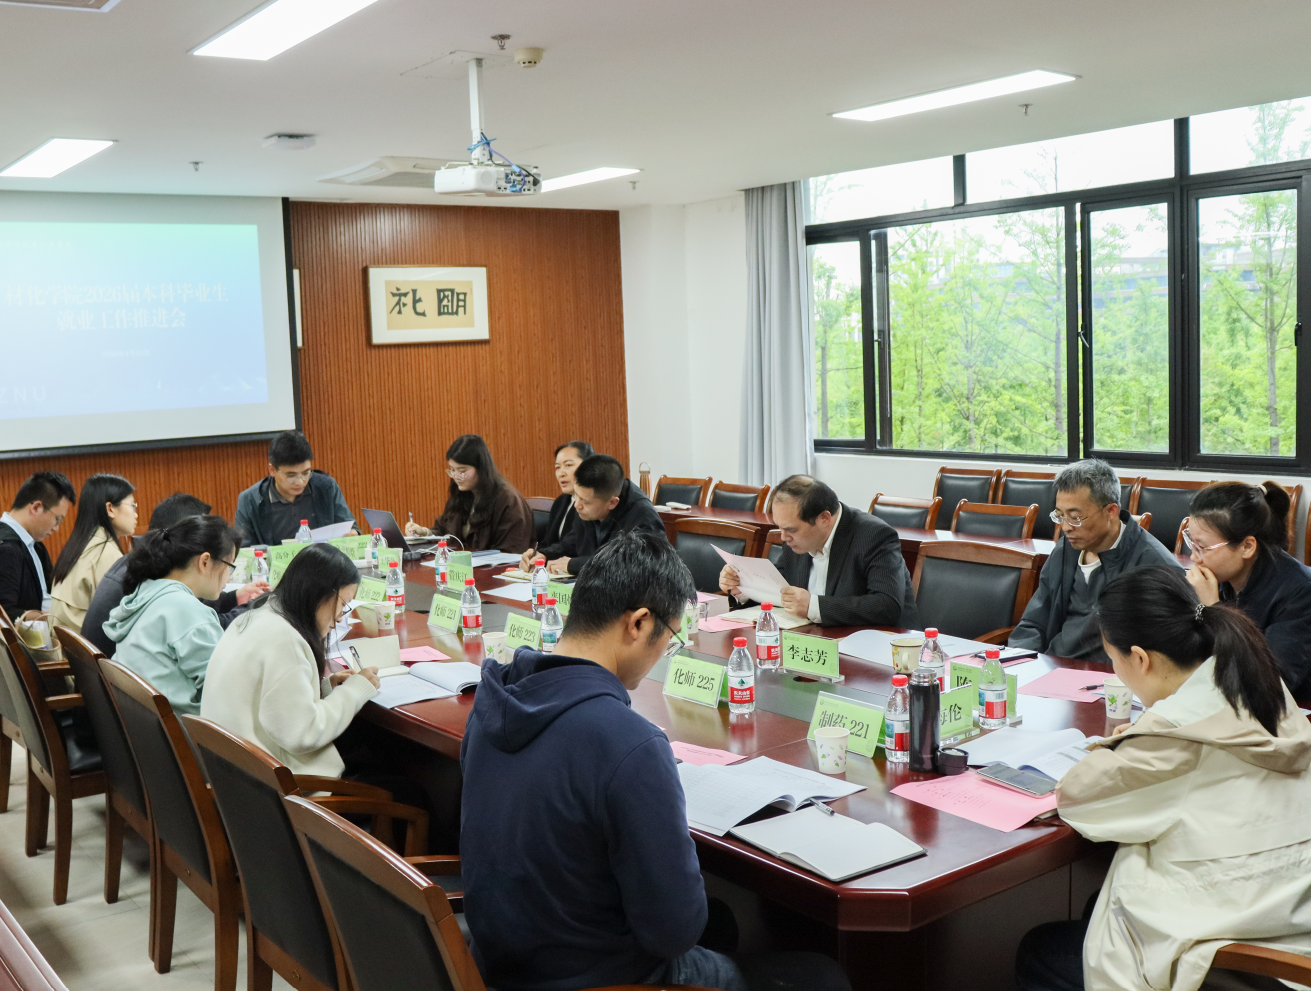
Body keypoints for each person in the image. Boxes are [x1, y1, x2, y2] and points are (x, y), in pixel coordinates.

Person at [461, 532, 851, 991]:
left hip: (500, 961)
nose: (664, 651)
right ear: (639, 624)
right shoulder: (628, 742)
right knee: (821, 977)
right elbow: (674, 932)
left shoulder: (494, 700)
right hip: (598, 978)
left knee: (720, 921)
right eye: (669, 637)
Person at [1016, 567, 1311, 991]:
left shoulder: (1177, 734)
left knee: (1041, 948)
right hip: (1288, 918)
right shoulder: (1256, 683)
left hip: (1242, 957)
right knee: (1097, 904)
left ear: (1140, 659)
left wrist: (1125, 744)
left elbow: (1081, 799)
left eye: (1113, 659)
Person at [202, 543, 379, 775]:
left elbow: (271, 701)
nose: (339, 618)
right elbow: (303, 734)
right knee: (400, 781)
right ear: (319, 595)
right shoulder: (285, 639)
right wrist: (354, 691)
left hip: (234, 773)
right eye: (343, 605)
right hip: (272, 783)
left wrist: (324, 688)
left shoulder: (254, 617)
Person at [1010, 459, 1179, 663]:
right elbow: (1034, 623)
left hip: (1110, 677)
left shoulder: (1156, 565)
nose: (1066, 527)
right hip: (1053, 665)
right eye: (1060, 516)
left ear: (1110, 512)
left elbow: (1160, 655)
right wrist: (1021, 664)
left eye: (1075, 517)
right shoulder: (1065, 550)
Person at [82, 494, 268, 658]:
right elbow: (203, 630)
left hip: (115, 678)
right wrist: (252, 608)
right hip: (122, 681)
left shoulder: (143, 567)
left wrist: (233, 598)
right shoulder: (167, 592)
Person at [718, 474, 918, 627]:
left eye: (791, 530)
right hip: (816, 641)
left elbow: (886, 605)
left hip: (878, 649)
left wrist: (813, 607)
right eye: (779, 527)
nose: (783, 537)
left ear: (824, 519)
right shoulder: (796, 538)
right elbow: (780, 586)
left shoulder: (874, 536)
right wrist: (743, 588)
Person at [103, 514, 243, 715]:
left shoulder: (147, 592)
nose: (229, 577)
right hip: (182, 729)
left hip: (145, 725)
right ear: (204, 562)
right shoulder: (186, 610)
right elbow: (227, 688)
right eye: (230, 566)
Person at [1183, 481, 1311, 697]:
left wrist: (1214, 610)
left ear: (1247, 546)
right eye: (1191, 544)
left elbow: (1271, 684)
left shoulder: (1299, 592)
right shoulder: (1220, 578)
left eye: (1202, 547)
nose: (1194, 558)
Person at [536, 454, 667, 577]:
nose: (577, 505)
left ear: (612, 502)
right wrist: (544, 555)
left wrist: (574, 565)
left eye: (585, 501)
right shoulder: (586, 505)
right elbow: (573, 541)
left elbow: (634, 566)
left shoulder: (643, 515)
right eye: (576, 495)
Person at [406, 434, 534, 553]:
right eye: (452, 470)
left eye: (462, 471)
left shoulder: (508, 500)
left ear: (481, 469)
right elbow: (446, 530)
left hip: (494, 567)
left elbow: (511, 552)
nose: (456, 477)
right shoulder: (463, 493)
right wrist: (425, 533)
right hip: (464, 566)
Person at [49, 474, 137, 633]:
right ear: (110, 509)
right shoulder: (105, 551)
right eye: (132, 506)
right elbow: (121, 617)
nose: (136, 514)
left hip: (65, 643)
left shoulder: (80, 544)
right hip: (86, 645)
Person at [235, 430, 355, 546]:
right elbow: (244, 550)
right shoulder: (250, 500)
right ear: (272, 470)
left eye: (306, 473)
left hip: (320, 559)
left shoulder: (326, 488)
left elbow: (351, 528)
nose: (300, 482)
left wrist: (352, 535)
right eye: (291, 476)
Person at [0, 471, 76, 622]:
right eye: (57, 519)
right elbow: (5, 616)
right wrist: (58, 619)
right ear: (36, 508)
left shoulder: (35, 545)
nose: (56, 528)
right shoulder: (7, 548)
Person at [517, 440, 594, 573]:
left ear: (589, 466)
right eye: (557, 467)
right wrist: (537, 555)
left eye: (568, 465)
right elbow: (549, 543)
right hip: (554, 572)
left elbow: (575, 544)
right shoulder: (561, 502)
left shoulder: (594, 504)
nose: (561, 473)